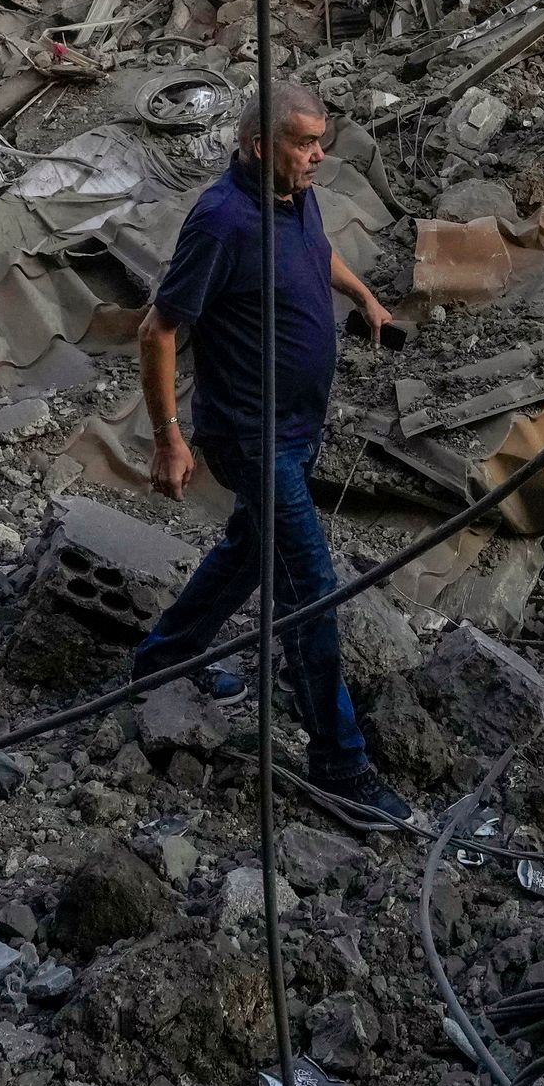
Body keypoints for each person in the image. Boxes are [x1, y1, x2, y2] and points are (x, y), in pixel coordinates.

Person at [129, 82, 414, 833]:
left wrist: (364, 298)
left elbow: (316, 252)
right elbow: (158, 332)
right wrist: (168, 439)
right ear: (261, 146)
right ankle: (341, 764)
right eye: (304, 142)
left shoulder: (296, 196)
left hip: (296, 423)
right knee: (311, 591)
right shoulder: (223, 221)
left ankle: (162, 661)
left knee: (251, 549)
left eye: (321, 139)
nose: (319, 154)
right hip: (250, 434)